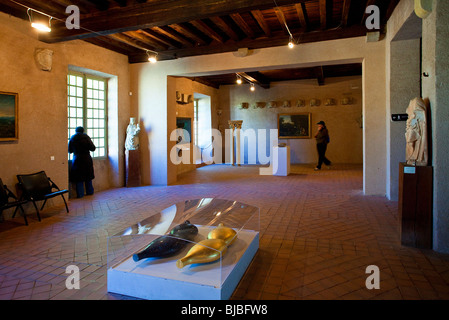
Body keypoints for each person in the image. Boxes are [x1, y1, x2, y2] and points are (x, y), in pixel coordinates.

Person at [68, 126, 96, 198]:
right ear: (83, 131)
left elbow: (69, 150)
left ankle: (80, 194)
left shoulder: (73, 138)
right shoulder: (86, 137)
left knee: (79, 178)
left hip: (77, 159)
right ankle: (90, 192)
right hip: (86, 158)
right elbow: (93, 148)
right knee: (88, 176)